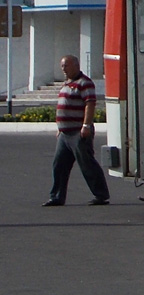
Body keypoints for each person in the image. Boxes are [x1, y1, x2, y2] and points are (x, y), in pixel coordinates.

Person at [42, 55, 111, 207]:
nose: (63, 69)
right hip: (64, 134)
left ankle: (101, 195)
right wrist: (60, 128)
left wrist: (86, 125)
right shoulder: (66, 84)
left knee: (87, 164)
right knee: (59, 165)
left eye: (66, 65)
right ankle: (57, 197)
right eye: (62, 66)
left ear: (75, 65)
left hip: (78, 132)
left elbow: (90, 104)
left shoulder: (84, 83)